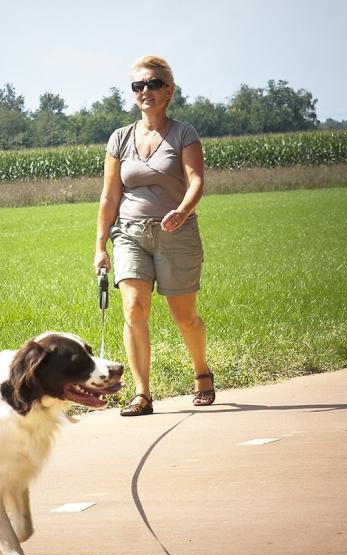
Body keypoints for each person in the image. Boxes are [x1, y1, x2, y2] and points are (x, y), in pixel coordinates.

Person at [93, 54, 214, 416]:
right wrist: (100, 245)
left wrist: (182, 210)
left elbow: (197, 181)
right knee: (134, 308)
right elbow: (109, 195)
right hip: (129, 234)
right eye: (138, 86)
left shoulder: (183, 133)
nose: (145, 91)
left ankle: (201, 372)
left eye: (153, 84)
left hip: (176, 234)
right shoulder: (120, 138)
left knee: (184, 315)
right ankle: (142, 393)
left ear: (169, 91)